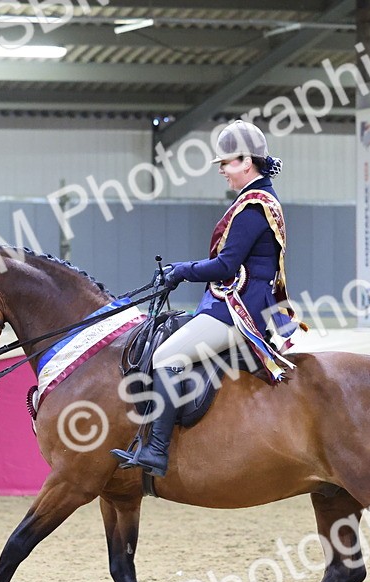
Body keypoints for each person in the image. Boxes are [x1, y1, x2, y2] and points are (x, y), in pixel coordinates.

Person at [111, 119, 305, 477]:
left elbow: (226, 264)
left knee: (166, 355)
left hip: (238, 310)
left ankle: (156, 450)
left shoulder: (253, 207)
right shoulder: (259, 199)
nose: (222, 171)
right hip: (242, 302)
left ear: (247, 162)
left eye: (226, 163)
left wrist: (180, 270)